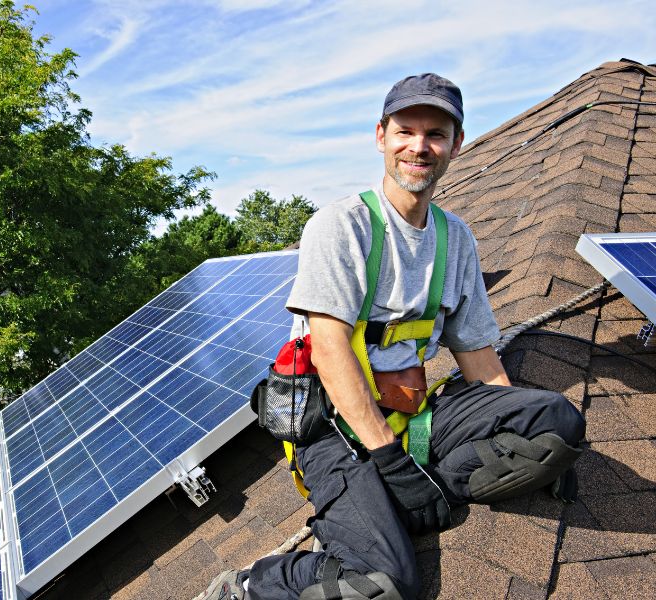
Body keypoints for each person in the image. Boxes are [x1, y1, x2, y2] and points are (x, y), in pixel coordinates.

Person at [204, 74, 585, 600]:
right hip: (332, 427)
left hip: (412, 414)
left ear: (457, 144)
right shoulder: (342, 226)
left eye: (435, 134)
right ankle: (255, 584)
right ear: (380, 135)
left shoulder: (456, 239)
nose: (419, 146)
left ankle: (403, 502)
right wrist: (391, 463)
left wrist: (536, 454)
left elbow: (476, 353)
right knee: (379, 587)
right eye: (406, 130)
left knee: (558, 421)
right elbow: (331, 352)